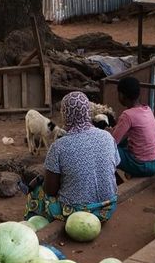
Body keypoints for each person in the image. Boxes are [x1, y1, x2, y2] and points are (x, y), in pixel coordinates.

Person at [24, 92, 119, 222]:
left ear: (65, 114)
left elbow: (50, 190)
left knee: (36, 192)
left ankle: (39, 227)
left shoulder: (58, 147)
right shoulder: (107, 136)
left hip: (78, 214)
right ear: (87, 112)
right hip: (107, 208)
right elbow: (114, 167)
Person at [111, 76, 155, 177]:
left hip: (144, 166)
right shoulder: (147, 109)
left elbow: (112, 142)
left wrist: (106, 133)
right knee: (125, 142)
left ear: (122, 95)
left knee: (107, 149)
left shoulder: (127, 115)